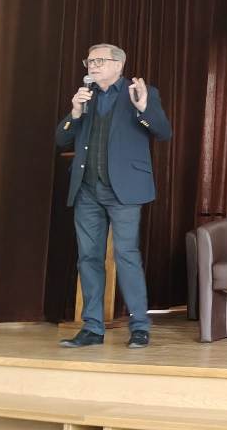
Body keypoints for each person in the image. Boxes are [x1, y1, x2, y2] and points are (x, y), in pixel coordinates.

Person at [54, 44, 172, 349]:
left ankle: (140, 326)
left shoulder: (139, 92)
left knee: (126, 255)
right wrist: (75, 112)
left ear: (118, 65)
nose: (92, 66)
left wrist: (144, 108)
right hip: (87, 190)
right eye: (89, 61)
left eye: (99, 61)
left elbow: (163, 132)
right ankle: (92, 328)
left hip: (125, 190)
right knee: (89, 257)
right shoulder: (86, 96)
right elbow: (61, 138)